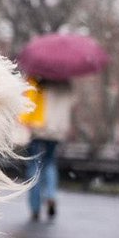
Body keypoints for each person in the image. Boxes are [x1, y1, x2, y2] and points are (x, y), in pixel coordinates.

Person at [20, 77, 74, 222]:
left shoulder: (38, 80)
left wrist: (24, 121)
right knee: (50, 162)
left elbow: (29, 101)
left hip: (38, 127)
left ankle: (35, 207)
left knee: (34, 164)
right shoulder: (65, 83)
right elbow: (70, 104)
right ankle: (51, 194)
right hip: (57, 129)